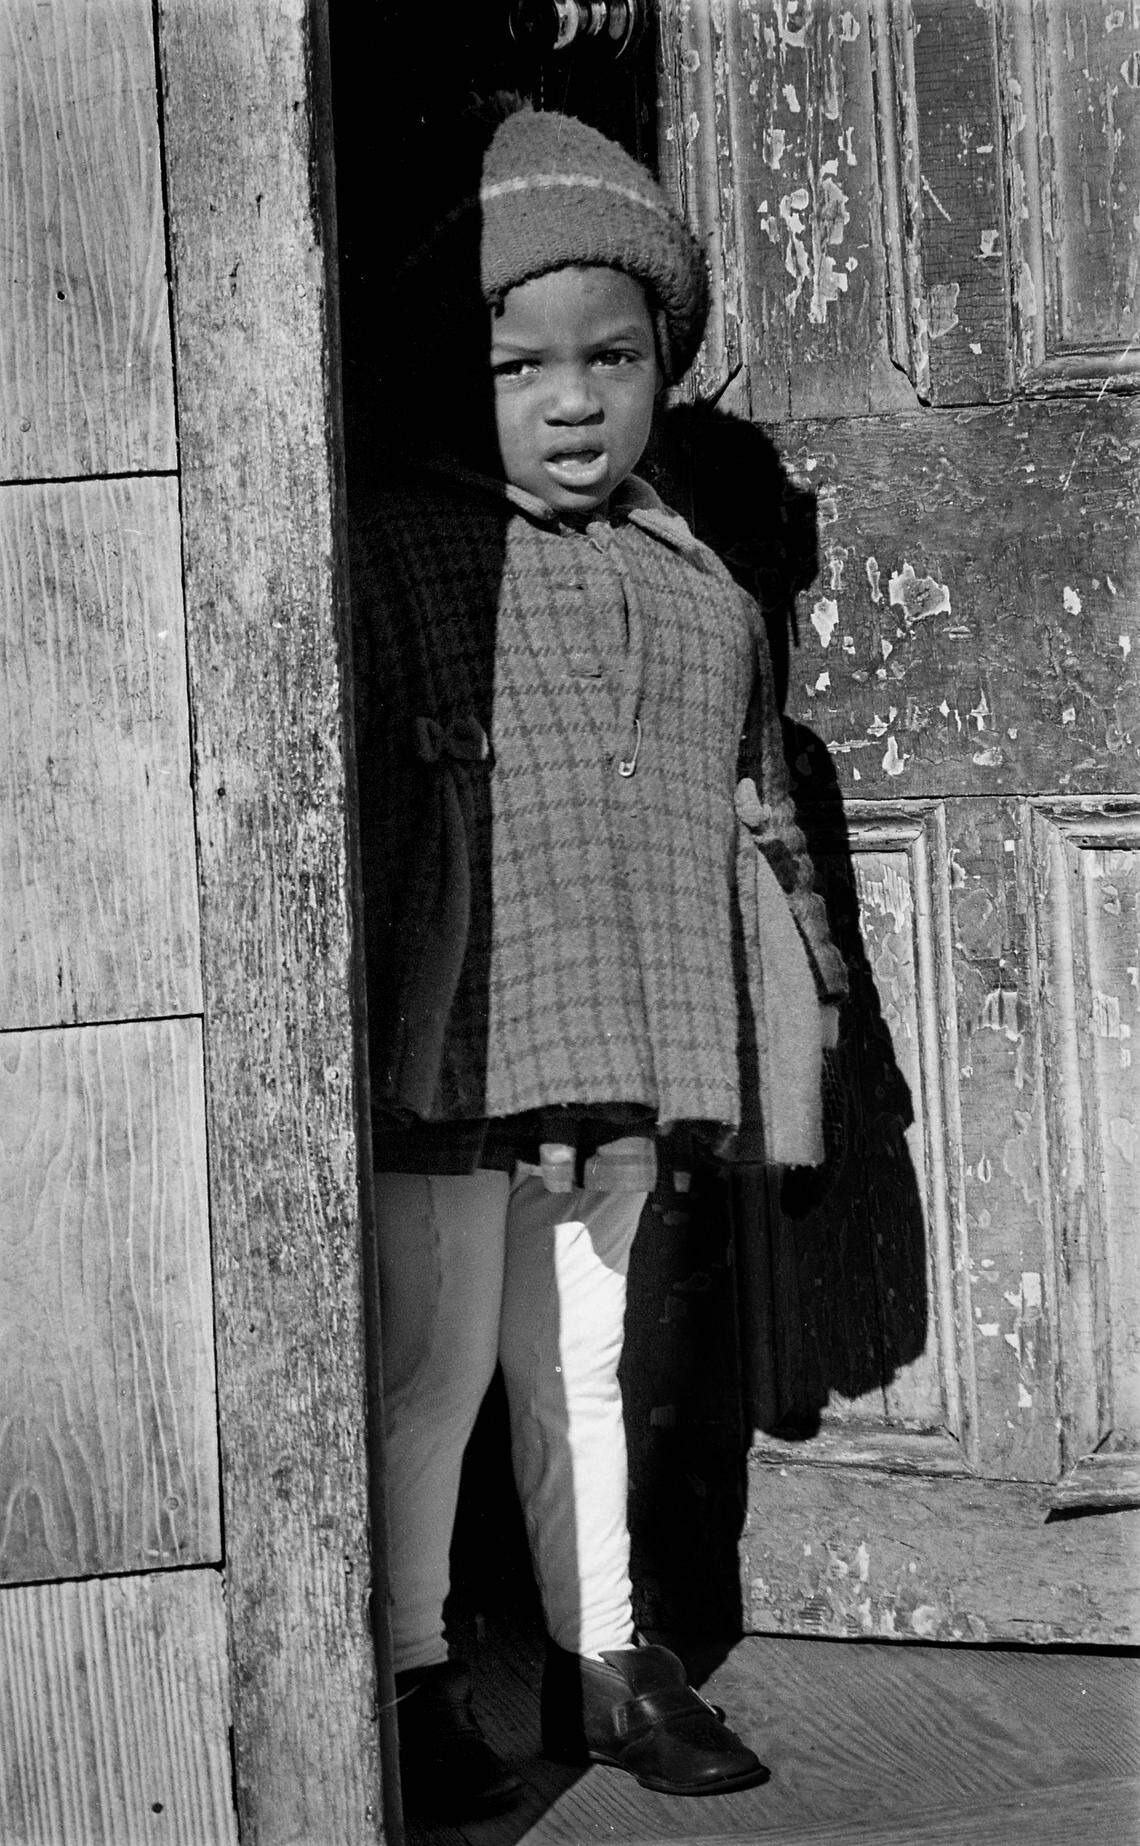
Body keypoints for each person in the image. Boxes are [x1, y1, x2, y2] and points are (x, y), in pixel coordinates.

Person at [350, 102, 847, 1821]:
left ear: (661, 363)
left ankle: (610, 1658)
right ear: (454, 376)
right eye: (522, 366)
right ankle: (407, 1669)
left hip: (619, 1049)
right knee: (429, 1366)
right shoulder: (400, 553)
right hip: (450, 1048)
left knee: (580, 1358)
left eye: (614, 357)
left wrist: (775, 1045)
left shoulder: (704, 590)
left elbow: (740, 836)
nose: (575, 401)